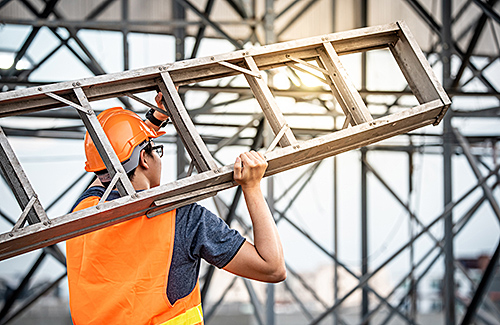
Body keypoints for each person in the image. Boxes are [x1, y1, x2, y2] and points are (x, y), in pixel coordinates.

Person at [66, 92, 286, 325]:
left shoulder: (83, 212)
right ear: (144, 159)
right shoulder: (180, 217)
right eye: (155, 150)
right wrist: (251, 186)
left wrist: (154, 121)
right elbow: (272, 268)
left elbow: (106, 172)